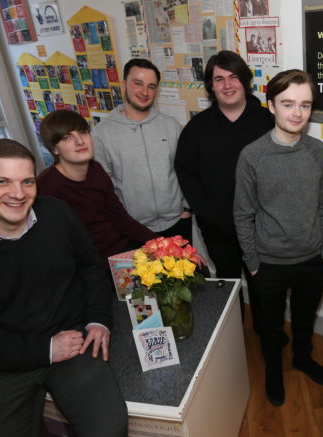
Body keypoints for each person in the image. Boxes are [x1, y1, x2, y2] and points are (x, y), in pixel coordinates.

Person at [0, 139, 127, 437]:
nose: (18, 194)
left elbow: (90, 267)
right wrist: (45, 349)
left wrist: (98, 319)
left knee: (108, 430)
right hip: (3, 361)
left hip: (73, 342)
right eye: (2, 182)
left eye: (27, 181)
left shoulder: (56, 213)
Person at [234, 69, 323, 406]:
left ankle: (303, 358)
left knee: (304, 321)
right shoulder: (252, 155)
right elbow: (243, 214)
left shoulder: (317, 150)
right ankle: (273, 371)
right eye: (288, 104)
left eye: (305, 105)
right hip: (269, 263)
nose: (297, 113)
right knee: (271, 328)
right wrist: (253, 263)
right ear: (272, 105)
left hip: (312, 260)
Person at [175, 51, 273, 326]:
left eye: (233, 77)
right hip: (219, 231)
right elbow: (185, 171)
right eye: (219, 79)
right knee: (229, 288)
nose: (227, 85)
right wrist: (206, 212)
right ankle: (234, 340)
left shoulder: (268, 122)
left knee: (264, 289)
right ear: (211, 85)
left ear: (245, 81)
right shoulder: (197, 128)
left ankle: (267, 336)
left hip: (263, 230)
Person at [92, 59, 191, 242]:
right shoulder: (101, 134)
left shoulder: (171, 126)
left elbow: (187, 170)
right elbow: (103, 188)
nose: (145, 92)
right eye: (138, 83)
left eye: (151, 86)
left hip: (177, 223)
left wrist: (186, 209)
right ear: (124, 85)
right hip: (132, 230)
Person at [37, 109, 157, 258]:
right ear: (54, 148)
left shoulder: (96, 170)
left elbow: (120, 218)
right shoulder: (46, 186)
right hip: (89, 261)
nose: (80, 141)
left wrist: (160, 243)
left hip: (120, 249)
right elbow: (54, 245)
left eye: (83, 132)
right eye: (67, 137)